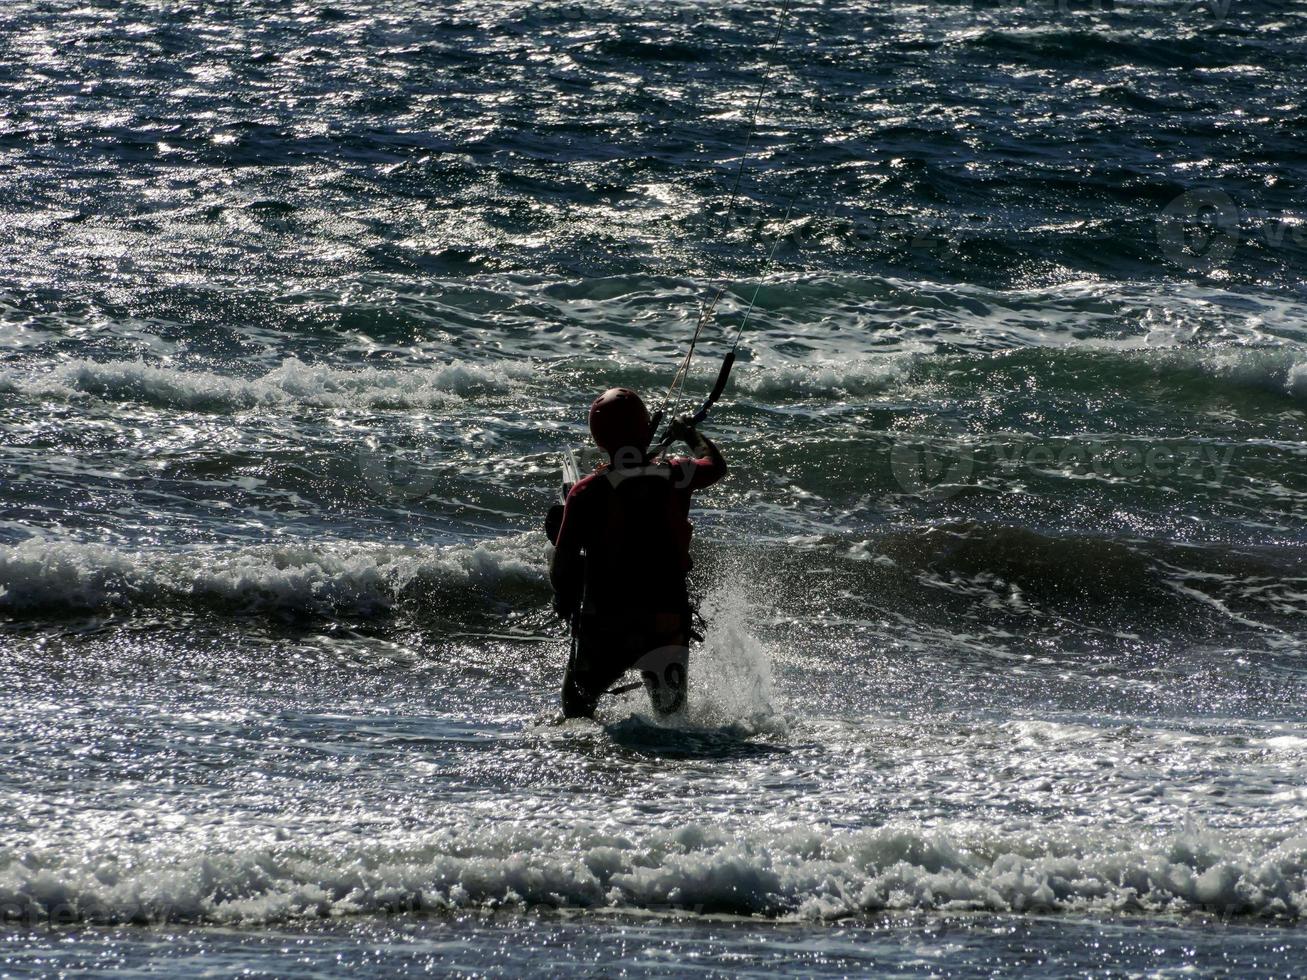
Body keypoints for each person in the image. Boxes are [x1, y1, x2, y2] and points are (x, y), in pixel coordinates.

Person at [549, 387, 727, 719]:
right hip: (665, 621)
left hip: (606, 626)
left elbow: (561, 574)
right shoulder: (677, 473)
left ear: (599, 439)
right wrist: (690, 433)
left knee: (576, 708)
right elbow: (715, 465)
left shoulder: (584, 492)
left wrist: (565, 599)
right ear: (644, 429)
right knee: (672, 720)